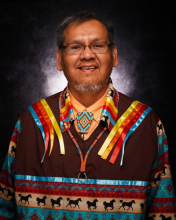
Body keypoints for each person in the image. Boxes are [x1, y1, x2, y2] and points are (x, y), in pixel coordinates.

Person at [0, 11, 175, 220]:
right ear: (59, 59)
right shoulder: (29, 122)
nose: (87, 55)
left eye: (98, 45)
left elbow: (162, 213)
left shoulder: (147, 124)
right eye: (75, 47)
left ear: (114, 55)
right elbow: (4, 210)